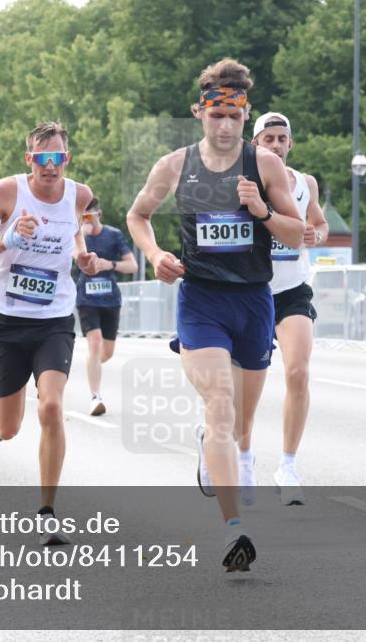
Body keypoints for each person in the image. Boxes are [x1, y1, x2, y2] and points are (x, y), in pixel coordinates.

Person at [126, 59, 303, 571]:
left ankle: (216, 445)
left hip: (254, 301)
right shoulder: (174, 166)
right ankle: (233, 530)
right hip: (201, 301)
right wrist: (156, 254)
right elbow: (138, 215)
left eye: (234, 116)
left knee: (241, 424)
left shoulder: (265, 167)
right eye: (215, 115)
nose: (224, 126)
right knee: (220, 404)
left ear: (245, 116)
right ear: (198, 113)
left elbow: (297, 234)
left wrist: (263, 212)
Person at [0, 121, 100, 546]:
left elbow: (77, 229)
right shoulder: (7, 192)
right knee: (12, 426)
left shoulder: (80, 194)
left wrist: (83, 257)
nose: (50, 166)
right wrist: (6, 239)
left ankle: (47, 512)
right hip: (7, 321)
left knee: (52, 407)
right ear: (30, 160)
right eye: (42, 158)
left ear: (67, 160)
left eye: (57, 158)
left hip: (55, 320)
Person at [250, 112, 329, 506]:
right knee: (242, 384)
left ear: (290, 144)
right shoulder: (246, 183)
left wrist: (316, 233)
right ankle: (225, 446)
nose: (277, 145)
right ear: (256, 144)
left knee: (298, 371)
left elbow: (319, 223)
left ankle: (287, 465)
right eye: (269, 138)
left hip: (293, 290)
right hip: (250, 291)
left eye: (282, 138)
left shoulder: (305, 182)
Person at [75, 198, 137, 415]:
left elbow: (132, 266)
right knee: (94, 343)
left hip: (110, 298)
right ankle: (96, 397)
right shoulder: (76, 236)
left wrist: (110, 264)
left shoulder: (113, 235)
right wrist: (79, 236)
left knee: (107, 352)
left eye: (90, 215)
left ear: (99, 214)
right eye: (82, 216)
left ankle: (93, 366)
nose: (87, 220)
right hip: (86, 298)